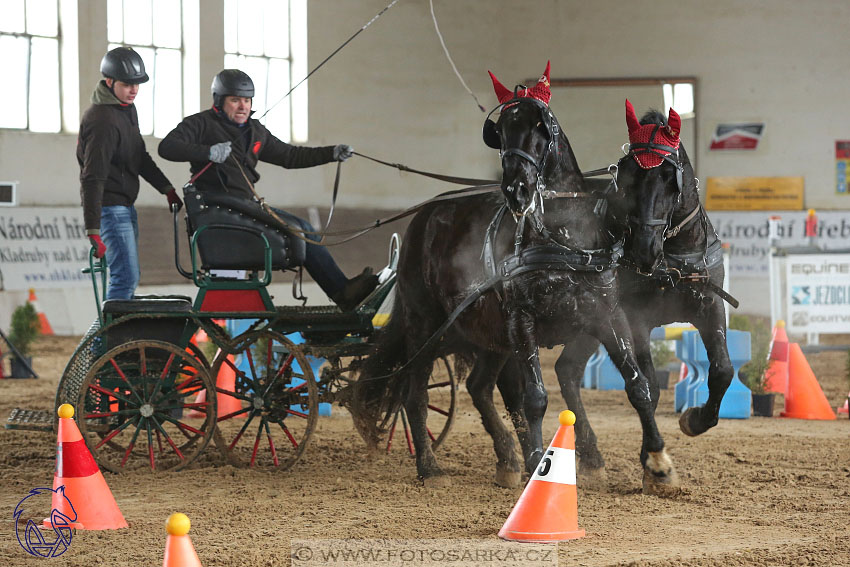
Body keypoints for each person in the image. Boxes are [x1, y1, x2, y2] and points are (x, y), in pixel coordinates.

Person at [158, 69, 378, 311]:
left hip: (245, 204)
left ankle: (342, 290)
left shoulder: (255, 130)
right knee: (299, 230)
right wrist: (207, 152)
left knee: (303, 228)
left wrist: (331, 153)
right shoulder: (200, 124)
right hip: (219, 204)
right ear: (219, 101)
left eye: (247, 100)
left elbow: (290, 156)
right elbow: (167, 147)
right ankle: (342, 292)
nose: (242, 106)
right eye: (235, 100)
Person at [78, 46, 183, 300]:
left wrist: (166, 188)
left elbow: (139, 156)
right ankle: (108, 341)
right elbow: (92, 177)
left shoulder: (126, 110)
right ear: (109, 81)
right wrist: (93, 229)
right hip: (110, 209)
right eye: (127, 84)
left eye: (137, 84)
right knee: (125, 278)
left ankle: (112, 338)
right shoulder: (103, 120)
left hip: (125, 206)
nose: (134, 90)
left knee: (127, 278)